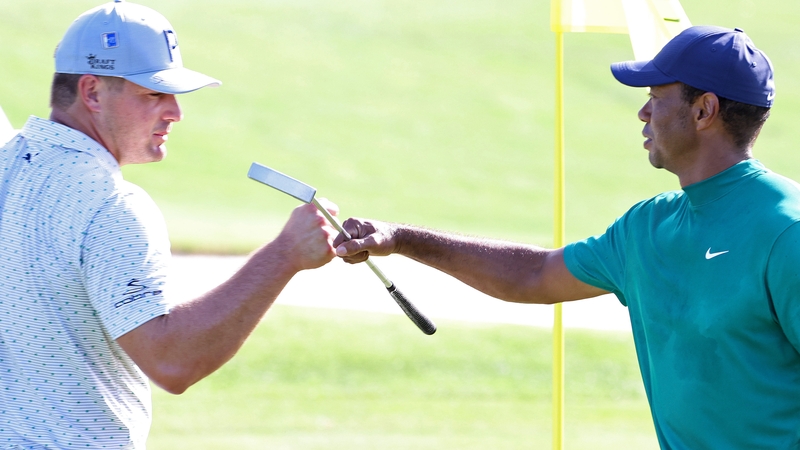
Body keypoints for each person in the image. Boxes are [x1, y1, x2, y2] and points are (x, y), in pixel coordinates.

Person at [335, 26, 800, 448]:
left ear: (704, 110)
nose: (642, 112)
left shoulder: (786, 232)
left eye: (656, 96)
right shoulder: (647, 227)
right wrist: (399, 239)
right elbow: (534, 275)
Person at [0, 1, 338, 448]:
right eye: (152, 94)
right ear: (93, 92)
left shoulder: (9, 164)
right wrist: (284, 255)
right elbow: (174, 362)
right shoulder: (110, 206)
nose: (175, 112)